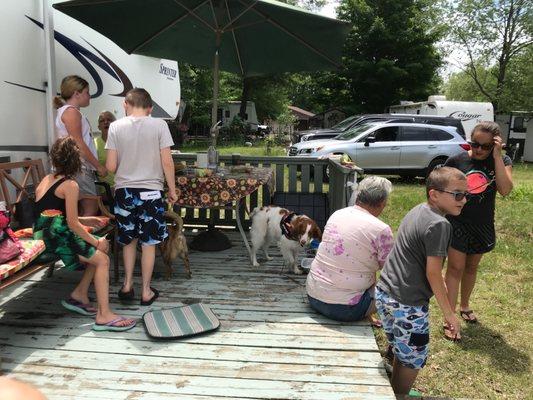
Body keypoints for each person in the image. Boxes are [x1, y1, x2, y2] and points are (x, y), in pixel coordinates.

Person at [375, 166, 467, 395]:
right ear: (434, 194)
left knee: (401, 348)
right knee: (413, 358)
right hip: (407, 304)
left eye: (466, 195)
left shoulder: (418, 210)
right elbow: (434, 273)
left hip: (385, 292)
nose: (463, 200)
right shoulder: (439, 225)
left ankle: (395, 387)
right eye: (457, 194)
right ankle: (399, 394)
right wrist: (449, 314)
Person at [33, 137, 136, 331]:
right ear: (76, 161)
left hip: (43, 234)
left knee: (97, 255)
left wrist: (88, 220)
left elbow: (53, 214)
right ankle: (104, 315)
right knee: (102, 258)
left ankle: (79, 294)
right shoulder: (70, 185)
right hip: (55, 239)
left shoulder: (47, 179)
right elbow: (71, 224)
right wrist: (95, 242)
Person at [105, 88, 177, 306]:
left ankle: (127, 286)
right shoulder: (159, 125)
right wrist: (172, 189)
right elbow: (167, 162)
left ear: (126, 105)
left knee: (128, 241)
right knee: (149, 243)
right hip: (151, 193)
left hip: (124, 192)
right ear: (150, 108)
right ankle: (146, 291)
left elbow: (110, 166)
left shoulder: (115, 126)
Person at [443, 122, 513, 333]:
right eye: (475, 144)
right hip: (456, 222)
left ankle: (465, 305)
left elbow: (505, 189)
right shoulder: (456, 160)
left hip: (482, 224)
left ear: (495, 144)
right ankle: (450, 317)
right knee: (455, 268)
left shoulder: (501, 160)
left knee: (472, 267)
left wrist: (498, 157)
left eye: (486, 146)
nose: (479, 149)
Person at [306, 176, 393, 323]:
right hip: (348, 310)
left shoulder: (337, 214)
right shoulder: (381, 230)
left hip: (314, 297)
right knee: (396, 280)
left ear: (358, 195)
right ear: (382, 203)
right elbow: (390, 270)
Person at [53, 75, 107, 216]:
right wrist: (98, 166)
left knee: (79, 209)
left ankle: (79, 235)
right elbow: (78, 143)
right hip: (78, 167)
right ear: (76, 94)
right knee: (90, 205)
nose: (89, 96)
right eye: (87, 92)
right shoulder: (71, 112)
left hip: (73, 166)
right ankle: (85, 237)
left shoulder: (67, 111)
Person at [94, 111, 117, 193]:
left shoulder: (122, 142)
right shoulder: (94, 144)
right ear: (98, 127)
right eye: (102, 121)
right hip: (105, 189)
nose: (106, 122)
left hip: (122, 185)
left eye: (109, 119)